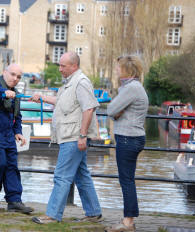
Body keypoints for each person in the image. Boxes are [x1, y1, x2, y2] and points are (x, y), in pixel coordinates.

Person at [30, 52, 102, 224]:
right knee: (81, 174)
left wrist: (83, 136)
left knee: (61, 175)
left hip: (73, 137)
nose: (60, 69)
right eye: (60, 65)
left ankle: (53, 215)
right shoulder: (71, 83)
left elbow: (89, 109)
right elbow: (63, 102)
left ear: (74, 66)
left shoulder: (81, 82)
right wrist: (42, 98)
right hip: (70, 136)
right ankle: (93, 212)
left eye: (63, 66)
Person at [0, 64, 34, 214]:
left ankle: (14, 200)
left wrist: (18, 132)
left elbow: (17, 116)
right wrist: (5, 92)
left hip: (8, 135)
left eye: (18, 77)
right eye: (13, 74)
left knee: (11, 167)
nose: (15, 79)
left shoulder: (15, 94)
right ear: (4, 72)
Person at [106, 55, 148, 232]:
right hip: (132, 137)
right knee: (128, 180)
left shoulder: (131, 88)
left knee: (126, 181)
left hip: (128, 138)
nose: (116, 70)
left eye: (118, 67)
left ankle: (128, 223)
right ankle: (129, 219)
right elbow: (116, 111)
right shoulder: (133, 87)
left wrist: (117, 111)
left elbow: (110, 110)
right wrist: (118, 111)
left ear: (127, 70)